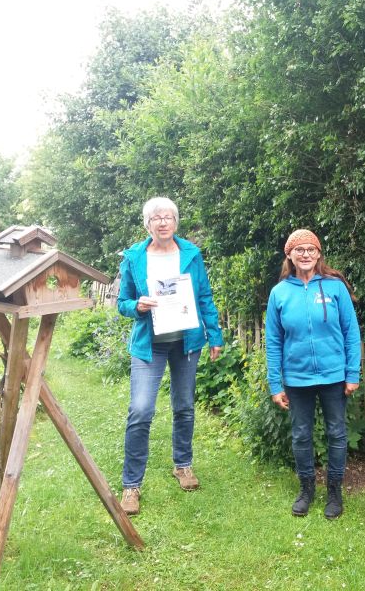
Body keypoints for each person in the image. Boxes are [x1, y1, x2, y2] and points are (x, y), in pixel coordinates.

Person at [117, 197, 223, 515]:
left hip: (186, 342)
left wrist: (214, 335)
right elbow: (123, 301)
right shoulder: (134, 256)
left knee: (184, 406)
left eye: (169, 217)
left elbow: (204, 296)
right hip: (150, 344)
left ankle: (183, 465)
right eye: (156, 218)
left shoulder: (190, 253)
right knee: (141, 410)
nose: (163, 222)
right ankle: (131, 485)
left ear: (176, 222)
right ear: (147, 224)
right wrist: (137, 306)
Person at [265, 229, 361, 519]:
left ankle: (334, 491)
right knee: (301, 435)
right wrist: (274, 382)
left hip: (334, 376)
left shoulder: (334, 288)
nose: (305, 254)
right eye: (299, 250)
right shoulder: (279, 293)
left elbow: (351, 333)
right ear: (290, 255)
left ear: (319, 254)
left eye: (311, 249)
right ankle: (306, 489)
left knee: (336, 433)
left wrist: (351, 372)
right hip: (297, 378)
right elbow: (273, 340)